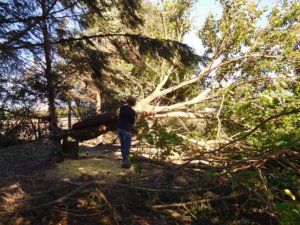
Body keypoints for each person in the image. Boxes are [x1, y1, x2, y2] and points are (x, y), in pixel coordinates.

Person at [117, 96, 137, 168]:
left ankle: (123, 160)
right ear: (134, 104)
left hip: (119, 128)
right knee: (127, 146)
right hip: (127, 130)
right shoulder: (133, 112)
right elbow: (133, 123)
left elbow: (119, 116)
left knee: (122, 145)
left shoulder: (122, 108)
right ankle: (125, 161)